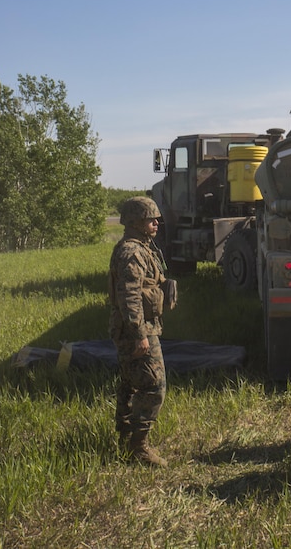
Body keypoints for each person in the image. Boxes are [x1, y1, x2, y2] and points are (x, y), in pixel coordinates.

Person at [108, 196, 176, 467]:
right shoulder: (132, 253)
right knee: (154, 386)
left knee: (131, 382)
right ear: (136, 222)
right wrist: (140, 335)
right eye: (151, 218)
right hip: (137, 330)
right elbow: (129, 296)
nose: (156, 222)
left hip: (137, 328)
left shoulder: (142, 248)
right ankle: (139, 447)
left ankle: (126, 439)